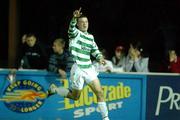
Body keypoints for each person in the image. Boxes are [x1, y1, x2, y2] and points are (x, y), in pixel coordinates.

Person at [47, 8, 109, 120]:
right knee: (75, 97)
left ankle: (105, 118)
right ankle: (55, 89)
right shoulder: (75, 34)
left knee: (99, 92)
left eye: (86, 22)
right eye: (82, 22)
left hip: (89, 68)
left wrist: (100, 58)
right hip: (78, 69)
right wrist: (74, 18)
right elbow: (71, 28)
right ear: (78, 25)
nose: (85, 24)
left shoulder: (91, 37)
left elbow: (95, 50)